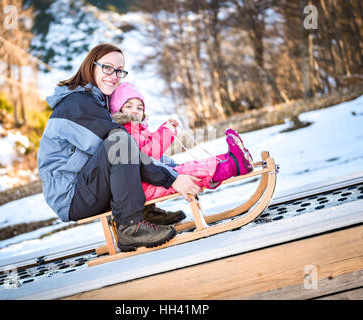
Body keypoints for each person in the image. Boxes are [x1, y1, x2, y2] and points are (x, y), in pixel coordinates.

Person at [37, 43, 202, 252]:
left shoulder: (96, 101)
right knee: (120, 141)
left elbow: (131, 157)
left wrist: (175, 168)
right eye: (107, 68)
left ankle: (143, 212)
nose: (114, 75)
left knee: (127, 143)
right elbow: (122, 150)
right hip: (71, 196)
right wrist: (172, 179)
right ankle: (131, 228)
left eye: (119, 70)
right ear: (91, 66)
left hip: (86, 184)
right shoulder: (77, 104)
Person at [109, 82, 254, 201]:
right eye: (129, 106)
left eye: (139, 108)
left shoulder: (137, 129)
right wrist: (165, 131)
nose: (135, 111)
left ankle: (230, 158)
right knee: (188, 173)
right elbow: (149, 154)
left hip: (152, 179)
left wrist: (167, 129)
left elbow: (152, 143)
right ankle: (233, 165)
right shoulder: (124, 132)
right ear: (118, 110)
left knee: (189, 167)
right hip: (144, 186)